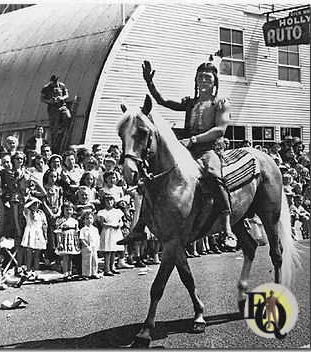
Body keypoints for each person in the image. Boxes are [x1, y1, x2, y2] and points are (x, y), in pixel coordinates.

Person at [142, 59, 236, 248]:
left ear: (214, 82)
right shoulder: (190, 102)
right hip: (186, 149)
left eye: (208, 77)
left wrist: (193, 140)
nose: (203, 80)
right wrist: (149, 83)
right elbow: (163, 102)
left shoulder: (220, 103)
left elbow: (220, 130)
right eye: (200, 77)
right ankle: (141, 224)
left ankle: (227, 227)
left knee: (212, 174)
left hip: (207, 149)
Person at [40, 75, 71, 153]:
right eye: (54, 82)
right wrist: (50, 101)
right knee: (55, 125)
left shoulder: (62, 85)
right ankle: (55, 142)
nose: (55, 84)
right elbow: (42, 99)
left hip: (62, 106)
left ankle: (62, 129)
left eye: (56, 82)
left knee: (68, 116)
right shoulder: (46, 88)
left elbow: (67, 95)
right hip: (53, 108)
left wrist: (61, 98)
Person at [97, 193, 124, 276]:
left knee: (114, 250)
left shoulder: (117, 211)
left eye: (111, 200)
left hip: (116, 232)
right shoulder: (102, 212)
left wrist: (119, 225)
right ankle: (107, 268)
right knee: (108, 251)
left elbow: (121, 221)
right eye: (107, 200)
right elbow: (102, 224)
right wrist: (112, 226)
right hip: (108, 232)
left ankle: (112, 267)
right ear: (104, 202)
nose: (109, 202)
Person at [21, 197, 48, 273]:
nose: (34, 206)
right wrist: (32, 201)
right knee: (29, 253)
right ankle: (28, 270)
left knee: (37, 254)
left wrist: (45, 237)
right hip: (30, 233)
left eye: (36, 204)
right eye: (32, 204)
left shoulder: (40, 213)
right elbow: (25, 207)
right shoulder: (28, 213)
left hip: (38, 233)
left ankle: (36, 271)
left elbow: (44, 226)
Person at [54, 201, 80, 279]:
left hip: (72, 240)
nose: (68, 212)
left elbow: (76, 232)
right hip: (64, 240)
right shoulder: (60, 221)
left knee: (71, 257)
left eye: (70, 210)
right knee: (65, 257)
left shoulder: (75, 221)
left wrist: (77, 242)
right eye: (66, 210)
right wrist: (59, 242)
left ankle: (70, 271)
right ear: (63, 211)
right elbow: (58, 232)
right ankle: (65, 272)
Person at [79, 211, 101, 279]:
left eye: (91, 218)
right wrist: (86, 246)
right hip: (86, 248)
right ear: (84, 221)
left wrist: (97, 247)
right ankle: (86, 274)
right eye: (87, 218)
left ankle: (94, 273)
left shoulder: (95, 229)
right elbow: (81, 239)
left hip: (94, 247)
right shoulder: (83, 229)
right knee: (86, 261)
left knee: (94, 260)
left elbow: (97, 238)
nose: (89, 220)